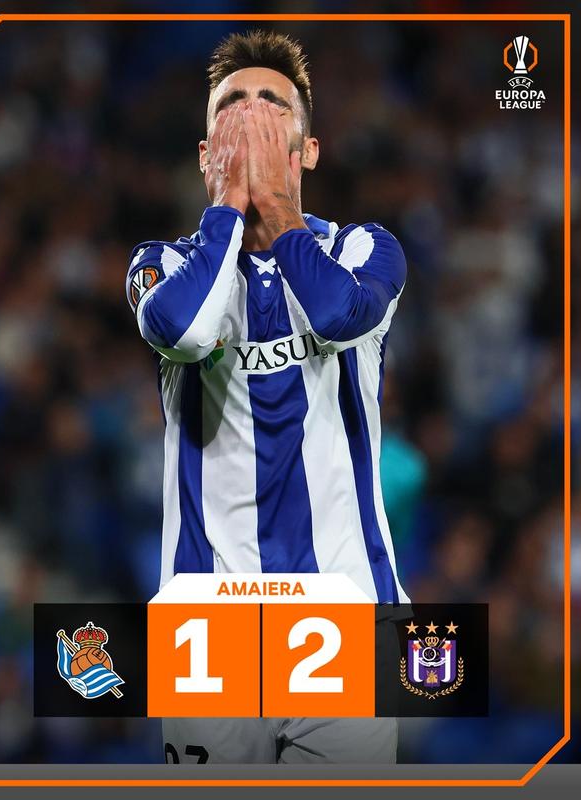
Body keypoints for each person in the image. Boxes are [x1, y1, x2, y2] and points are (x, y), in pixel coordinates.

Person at [126, 29, 408, 764]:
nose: (251, 119)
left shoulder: (363, 249)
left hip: (346, 609)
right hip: (207, 626)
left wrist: (278, 211)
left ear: (307, 150)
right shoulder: (162, 264)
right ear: (206, 153)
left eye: (272, 107)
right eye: (233, 108)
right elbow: (186, 331)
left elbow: (340, 316)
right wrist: (228, 206)